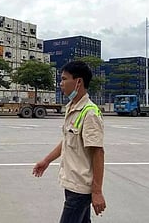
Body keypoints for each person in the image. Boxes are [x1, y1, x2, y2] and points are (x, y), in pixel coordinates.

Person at [32, 61, 106, 223]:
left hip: (80, 189)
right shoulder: (72, 107)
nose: (61, 83)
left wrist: (97, 191)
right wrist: (46, 161)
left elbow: (98, 153)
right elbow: (67, 140)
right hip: (72, 185)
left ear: (78, 82)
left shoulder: (90, 113)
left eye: (64, 79)